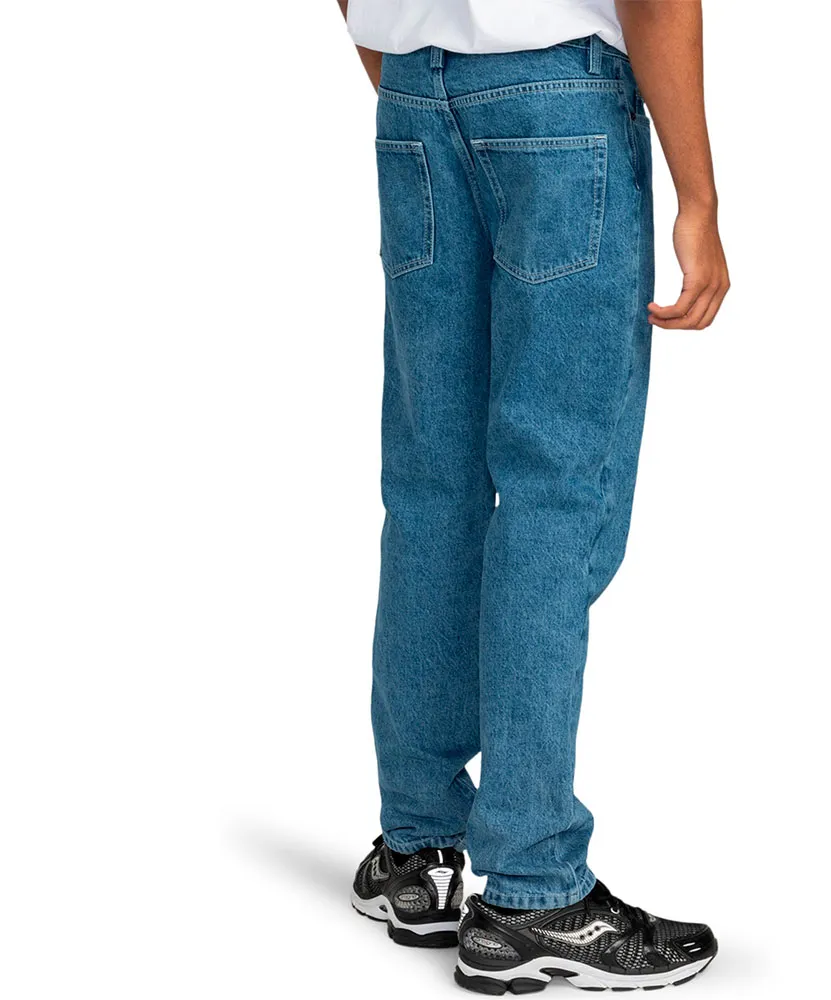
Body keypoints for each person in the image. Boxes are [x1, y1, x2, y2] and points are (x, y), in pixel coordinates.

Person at [340, 1, 730, 991]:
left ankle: (415, 849)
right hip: (557, 99)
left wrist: (425, 81)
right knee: (555, 495)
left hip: (413, 94)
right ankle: (531, 888)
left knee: (431, 483)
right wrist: (698, 199)